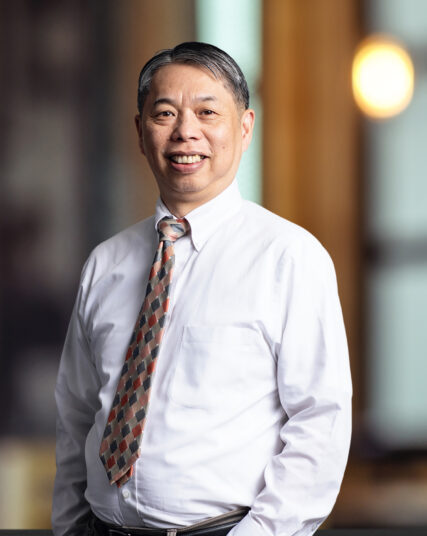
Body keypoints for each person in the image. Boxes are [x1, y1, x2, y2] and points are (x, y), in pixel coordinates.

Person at [52, 42, 352, 536]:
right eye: (165, 113)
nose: (185, 131)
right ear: (140, 131)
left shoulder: (289, 257)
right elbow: (76, 415)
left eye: (207, 112)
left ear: (244, 127)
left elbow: (320, 421)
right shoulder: (106, 263)